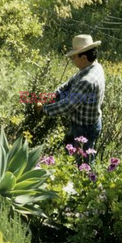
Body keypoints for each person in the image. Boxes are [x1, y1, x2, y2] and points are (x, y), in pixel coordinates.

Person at [35, 34, 105, 165]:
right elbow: (68, 84)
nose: (72, 60)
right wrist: (51, 97)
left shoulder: (87, 80)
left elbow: (67, 106)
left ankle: (88, 184)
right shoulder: (93, 67)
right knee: (71, 153)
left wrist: (43, 108)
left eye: (74, 56)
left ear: (83, 57)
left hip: (85, 128)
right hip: (82, 122)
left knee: (84, 164)